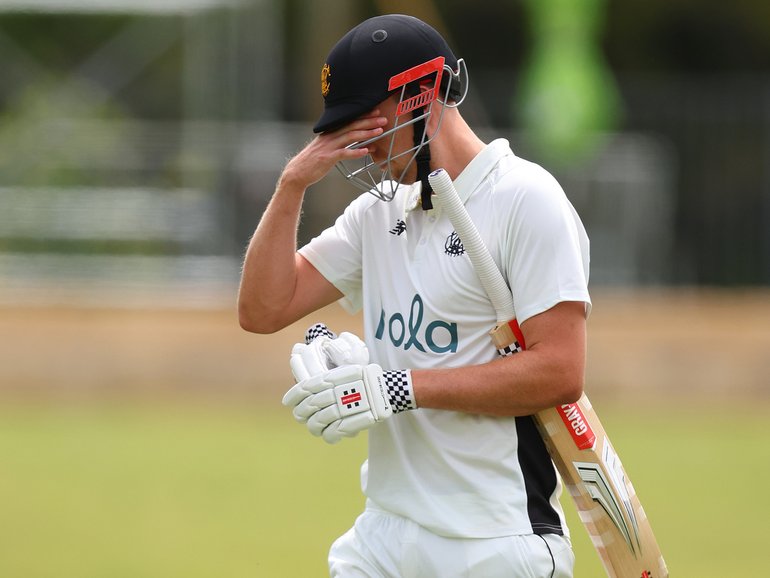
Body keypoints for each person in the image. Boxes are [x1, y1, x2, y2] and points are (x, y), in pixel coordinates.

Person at [239, 13, 591, 578]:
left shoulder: (527, 200)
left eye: (367, 127)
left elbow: (559, 371)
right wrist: (292, 184)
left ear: (422, 94)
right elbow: (261, 310)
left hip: (495, 538)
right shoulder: (378, 214)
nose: (363, 150)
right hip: (383, 532)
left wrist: (396, 388)